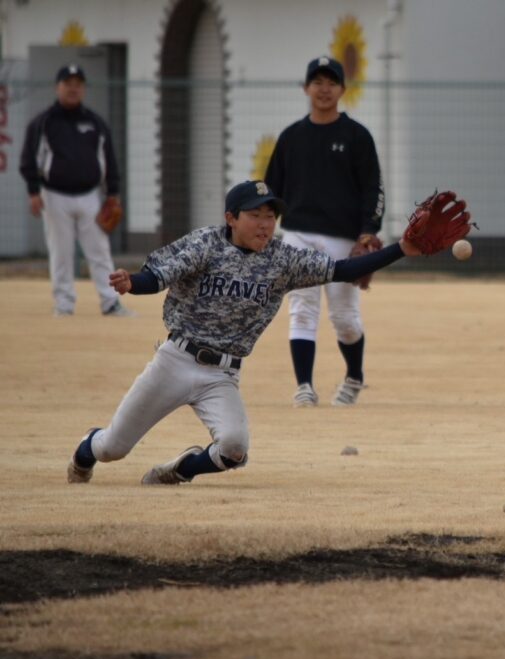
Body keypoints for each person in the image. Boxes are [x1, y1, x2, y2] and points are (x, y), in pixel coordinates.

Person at [66, 180, 469, 486]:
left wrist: (403, 249)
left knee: (235, 450)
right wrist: (131, 283)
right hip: (174, 361)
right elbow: (160, 276)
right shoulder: (206, 244)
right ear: (231, 218)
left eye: (270, 216)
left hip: (221, 375)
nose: (264, 223)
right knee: (113, 449)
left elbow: (341, 270)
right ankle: (86, 450)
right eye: (255, 215)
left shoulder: (282, 259)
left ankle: (180, 469)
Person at [265, 56, 384, 408]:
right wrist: (264, 228)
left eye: (331, 82)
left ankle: (354, 377)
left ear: (342, 90)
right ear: (306, 88)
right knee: (301, 308)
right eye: (317, 82)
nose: (324, 89)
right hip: (297, 234)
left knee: (344, 318)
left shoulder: (356, 136)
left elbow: (373, 189)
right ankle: (304, 386)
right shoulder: (291, 137)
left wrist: (367, 232)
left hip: (343, 238)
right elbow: (271, 191)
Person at [19, 63, 132, 317]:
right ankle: (64, 303)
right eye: (68, 84)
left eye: (78, 84)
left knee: (100, 251)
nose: (73, 89)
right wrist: (33, 191)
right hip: (53, 195)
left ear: (83, 89)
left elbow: (109, 160)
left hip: (90, 195)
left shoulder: (95, 123)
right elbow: (29, 159)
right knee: (61, 252)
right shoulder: (44, 122)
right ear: (58, 87)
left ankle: (110, 302)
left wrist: (113, 193)